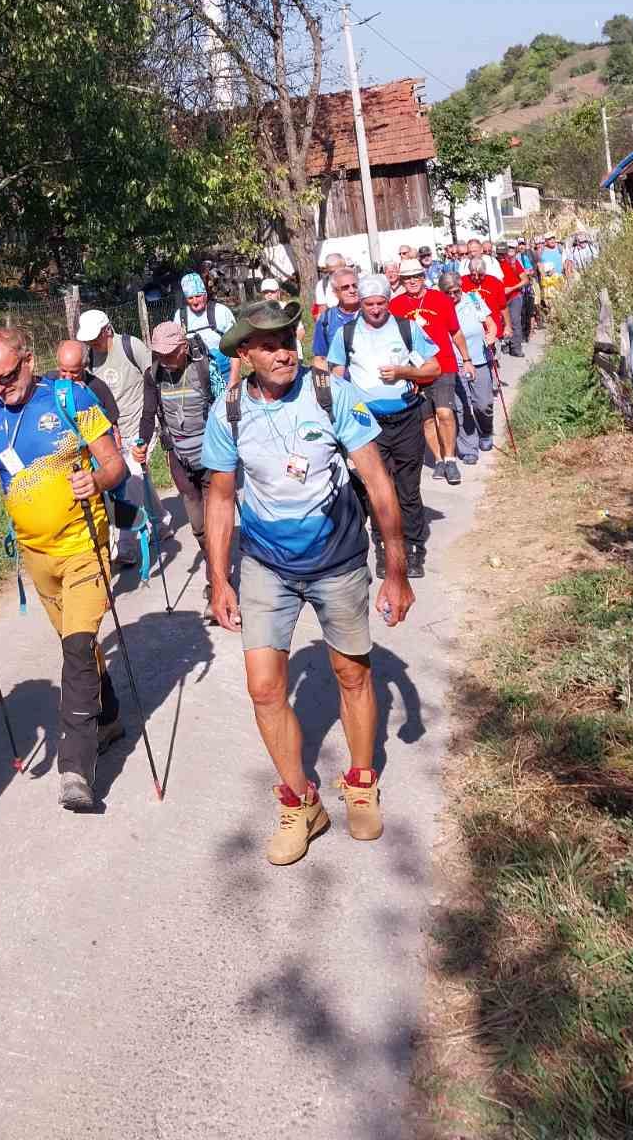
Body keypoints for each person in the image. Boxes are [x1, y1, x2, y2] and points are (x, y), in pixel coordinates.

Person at [201, 301, 414, 865]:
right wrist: (218, 580)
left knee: (352, 672)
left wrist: (395, 569)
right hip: (266, 565)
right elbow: (220, 499)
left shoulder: (330, 395)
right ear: (243, 355)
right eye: (267, 344)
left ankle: (362, 780)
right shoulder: (228, 413)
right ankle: (300, 801)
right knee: (265, 688)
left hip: (338, 559)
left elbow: (378, 483)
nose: (283, 352)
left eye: (287, 339)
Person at [0, 329, 125, 814]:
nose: (0, 387)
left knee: (78, 648)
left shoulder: (69, 396)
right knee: (74, 641)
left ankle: (75, 768)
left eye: (7, 376)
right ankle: (109, 715)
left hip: (85, 542)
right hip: (36, 556)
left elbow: (115, 465)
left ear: (28, 361)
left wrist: (97, 479)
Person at [327, 275, 440, 578]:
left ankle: (414, 547)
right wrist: (341, 410)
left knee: (408, 488)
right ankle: (383, 546)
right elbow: (336, 374)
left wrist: (405, 372)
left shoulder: (407, 328)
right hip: (368, 423)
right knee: (377, 488)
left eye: (381, 303)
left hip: (406, 417)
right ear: (359, 304)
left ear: (389, 302)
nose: (375, 309)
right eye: (369, 304)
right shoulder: (346, 333)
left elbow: (434, 366)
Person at [135, 320, 223, 611]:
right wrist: (141, 443)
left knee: (213, 525)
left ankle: (217, 584)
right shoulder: (154, 374)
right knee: (198, 527)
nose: (165, 359)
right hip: (179, 458)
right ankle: (215, 565)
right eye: (159, 353)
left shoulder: (203, 368)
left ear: (184, 347)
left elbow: (224, 408)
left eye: (170, 353)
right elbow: (149, 414)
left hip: (212, 456)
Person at [74, 310, 160, 561]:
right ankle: (162, 521)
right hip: (110, 431)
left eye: (95, 338)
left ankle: (127, 547)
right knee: (137, 478)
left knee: (129, 479)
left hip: (141, 423)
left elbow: (153, 377)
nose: (92, 344)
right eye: (88, 340)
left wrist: (151, 417)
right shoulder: (89, 358)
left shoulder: (130, 346)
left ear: (107, 330)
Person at [391, 258, 476, 487]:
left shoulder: (440, 299)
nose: (412, 281)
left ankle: (450, 459)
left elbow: (456, 332)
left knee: (445, 413)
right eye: (407, 278)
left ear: (423, 277)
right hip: (414, 370)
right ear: (401, 280)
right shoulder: (396, 305)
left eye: (416, 276)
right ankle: (438, 459)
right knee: (426, 419)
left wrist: (466, 360)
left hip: (444, 365)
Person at [439, 272, 496, 463]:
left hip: (478, 358)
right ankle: (468, 448)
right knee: (461, 407)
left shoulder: (473, 299)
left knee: (483, 403)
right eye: (448, 293)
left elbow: (490, 323)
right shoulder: (440, 305)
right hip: (453, 363)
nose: (453, 297)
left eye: (456, 291)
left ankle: (486, 431)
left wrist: (491, 335)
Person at [311, 265, 361, 366]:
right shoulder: (326, 320)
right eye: (345, 287)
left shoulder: (370, 314)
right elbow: (320, 357)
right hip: (338, 379)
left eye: (355, 285)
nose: (352, 290)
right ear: (335, 292)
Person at [462, 257, 512, 351]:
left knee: (492, 358)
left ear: (485, 271)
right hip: (472, 331)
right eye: (473, 275)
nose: (476, 278)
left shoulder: (495, 282)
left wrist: (508, 326)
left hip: (492, 329)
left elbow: (503, 307)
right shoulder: (462, 282)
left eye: (480, 275)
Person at [497, 243, 527, 359]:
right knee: (503, 322)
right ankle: (506, 344)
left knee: (515, 322)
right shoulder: (494, 264)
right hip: (500, 298)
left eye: (503, 254)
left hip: (514, 296)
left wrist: (511, 288)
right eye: (499, 254)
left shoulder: (514, 263)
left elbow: (525, 280)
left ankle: (516, 348)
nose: (501, 257)